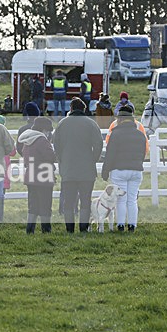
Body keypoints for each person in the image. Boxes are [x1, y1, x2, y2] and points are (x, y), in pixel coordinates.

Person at [52, 97, 103, 233]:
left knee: (69, 201)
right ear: (84, 109)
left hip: (68, 169)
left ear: (71, 109)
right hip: (87, 169)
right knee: (85, 200)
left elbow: (56, 145)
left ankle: (70, 229)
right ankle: (83, 228)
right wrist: (93, 160)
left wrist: (62, 159)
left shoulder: (62, 124)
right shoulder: (91, 124)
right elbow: (98, 144)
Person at [101, 107, 147, 232]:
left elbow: (110, 154)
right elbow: (144, 152)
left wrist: (105, 170)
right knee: (132, 200)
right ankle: (132, 225)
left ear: (119, 119)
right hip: (136, 170)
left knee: (121, 200)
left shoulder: (116, 134)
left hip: (119, 170)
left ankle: (120, 225)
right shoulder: (140, 134)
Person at [18, 116, 56, 234]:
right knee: (45, 204)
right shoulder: (41, 140)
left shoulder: (28, 140)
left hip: (30, 176)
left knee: (33, 205)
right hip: (43, 176)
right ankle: (46, 230)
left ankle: (30, 230)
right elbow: (50, 157)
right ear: (44, 129)